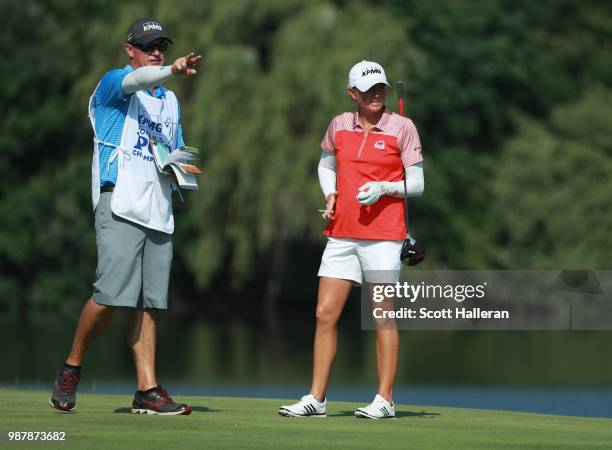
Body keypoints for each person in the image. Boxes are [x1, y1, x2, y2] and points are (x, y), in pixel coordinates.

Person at [50, 17, 201, 415]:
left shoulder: (169, 100)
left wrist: (184, 171)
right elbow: (134, 83)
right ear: (129, 49)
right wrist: (171, 70)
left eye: (162, 47)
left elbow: (178, 148)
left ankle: (147, 390)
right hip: (118, 199)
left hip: (158, 206)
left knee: (149, 302)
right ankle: (71, 368)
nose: (156, 51)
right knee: (110, 297)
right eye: (148, 46)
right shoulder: (114, 83)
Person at [279, 61, 424, 419]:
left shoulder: (402, 127)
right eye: (368, 88)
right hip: (342, 233)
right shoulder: (339, 125)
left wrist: (383, 188)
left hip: (385, 236)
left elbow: (417, 184)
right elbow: (326, 164)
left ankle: (385, 400)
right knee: (324, 313)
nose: (377, 94)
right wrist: (330, 193)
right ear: (352, 92)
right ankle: (317, 398)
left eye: (381, 88)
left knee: (382, 315)